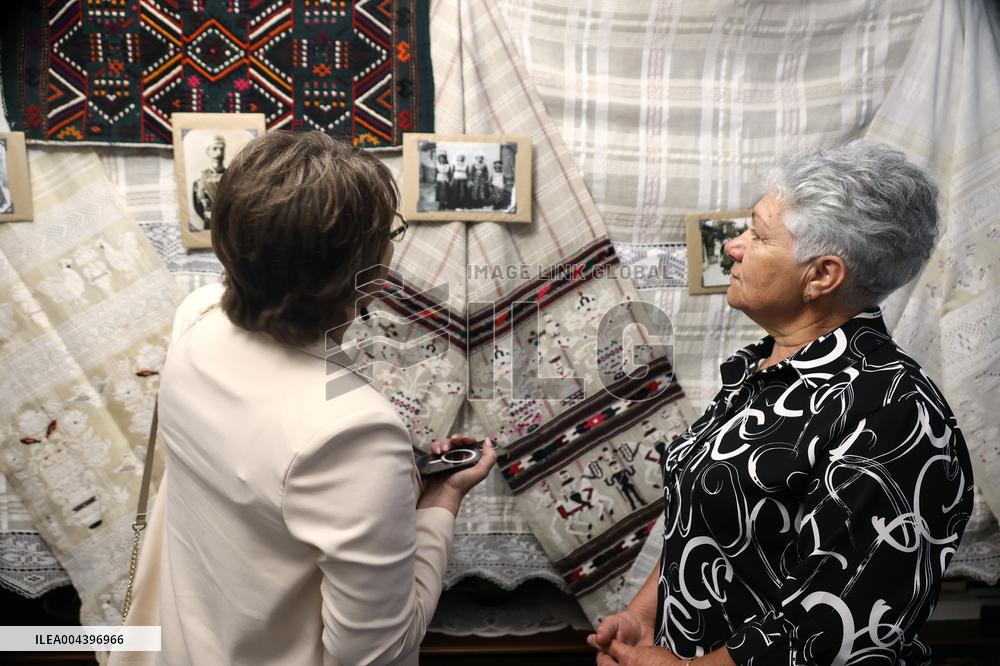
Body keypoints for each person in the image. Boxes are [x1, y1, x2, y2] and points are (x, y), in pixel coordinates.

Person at [589, 140, 974, 666]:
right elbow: (707, 525)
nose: (733, 247)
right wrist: (643, 616)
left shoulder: (895, 411)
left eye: (758, 234)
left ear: (822, 275)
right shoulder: (759, 372)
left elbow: (834, 625)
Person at [148, 131, 496, 665]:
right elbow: (376, 654)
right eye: (388, 233)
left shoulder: (196, 317)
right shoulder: (353, 432)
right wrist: (439, 503)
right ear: (363, 273)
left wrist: (388, 484)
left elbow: (263, 488)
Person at [191, 134, 226, 231]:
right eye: (215, 149)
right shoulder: (200, 180)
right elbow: (198, 205)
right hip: (210, 225)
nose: (219, 153)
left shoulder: (233, 177)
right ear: (208, 152)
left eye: (222, 149)